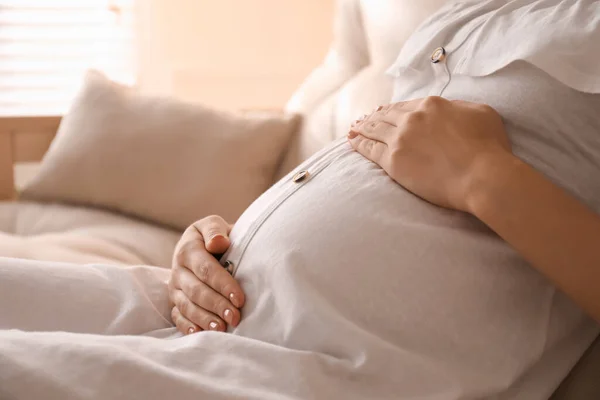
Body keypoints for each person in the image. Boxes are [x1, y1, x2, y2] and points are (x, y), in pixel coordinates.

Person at [1, 0, 599, 399]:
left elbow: (454, 169)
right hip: (206, 313)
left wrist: (482, 176)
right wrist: (219, 248)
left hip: (313, 368)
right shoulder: (479, 13)